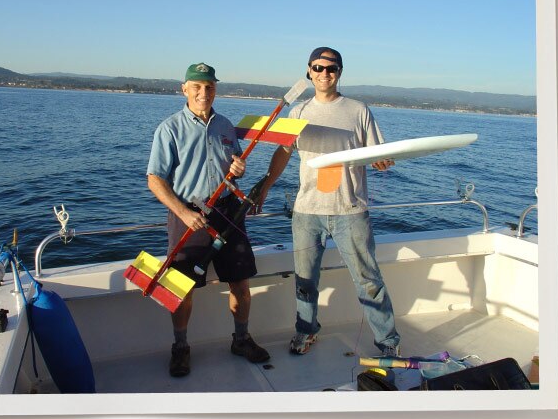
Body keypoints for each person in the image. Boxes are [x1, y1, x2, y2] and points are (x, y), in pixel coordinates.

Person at [256, 47, 401, 357]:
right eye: (318, 68)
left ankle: (388, 344)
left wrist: (381, 162)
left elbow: (377, 154)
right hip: (307, 211)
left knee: (369, 281)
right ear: (309, 71)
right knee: (305, 281)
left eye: (331, 68)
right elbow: (283, 152)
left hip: (350, 211)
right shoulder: (298, 112)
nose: (324, 73)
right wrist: (265, 185)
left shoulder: (359, 110)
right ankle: (306, 331)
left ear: (340, 72)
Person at [147, 62, 270, 377]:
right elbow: (155, 180)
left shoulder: (226, 125)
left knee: (240, 282)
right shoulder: (169, 128)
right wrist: (184, 212)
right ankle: (180, 347)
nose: (204, 92)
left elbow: (234, 166)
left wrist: (238, 171)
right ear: (184, 89)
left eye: (210, 86)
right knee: (182, 287)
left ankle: (241, 339)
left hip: (228, 212)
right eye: (197, 86)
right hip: (189, 213)